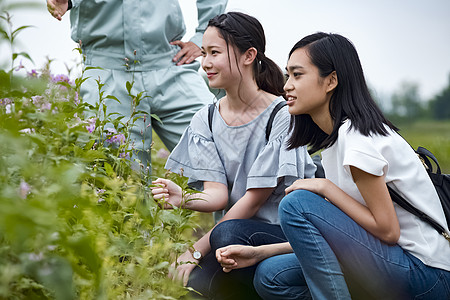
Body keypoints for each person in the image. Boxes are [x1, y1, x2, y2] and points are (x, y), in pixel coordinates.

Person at [215, 32, 450, 299]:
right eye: (287, 75)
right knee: (271, 274)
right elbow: (341, 235)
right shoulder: (337, 142)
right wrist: (260, 252)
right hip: (392, 262)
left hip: (427, 274)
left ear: (331, 81)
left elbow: (387, 230)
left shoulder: (358, 140)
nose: (286, 86)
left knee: (296, 204)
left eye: (297, 75)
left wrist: (325, 187)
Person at [150, 12, 317, 299]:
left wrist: (194, 250)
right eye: (203, 53)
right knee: (194, 288)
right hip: (234, 234)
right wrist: (183, 198)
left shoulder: (281, 115)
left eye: (214, 53)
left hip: (282, 234)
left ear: (248, 55)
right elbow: (218, 195)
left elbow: (253, 201)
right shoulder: (207, 118)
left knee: (224, 236)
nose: (205, 63)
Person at [46, 0, 227, 167]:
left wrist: (203, 35)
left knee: (222, 148)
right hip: (106, 73)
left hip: (171, 63)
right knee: (120, 183)